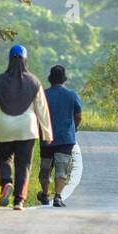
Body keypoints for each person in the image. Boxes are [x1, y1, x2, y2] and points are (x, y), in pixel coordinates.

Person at [0, 44, 53, 211]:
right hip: (27, 129)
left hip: (4, 126)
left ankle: (6, 182)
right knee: (24, 164)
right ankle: (19, 201)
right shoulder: (34, 81)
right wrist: (47, 132)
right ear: (25, 60)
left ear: (9, 59)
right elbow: (42, 109)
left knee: (3, 158)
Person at [36, 64, 84, 208]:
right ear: (64, 79)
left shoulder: (43, 95)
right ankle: (57, 196)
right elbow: (79, 116)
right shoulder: (72, 95)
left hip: (46, 138)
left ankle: (44, 194)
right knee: (61, 168)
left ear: (50, 78)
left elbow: (37, 116)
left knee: (45, 168)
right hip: (65, 139)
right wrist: (74, 128)